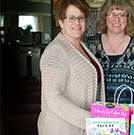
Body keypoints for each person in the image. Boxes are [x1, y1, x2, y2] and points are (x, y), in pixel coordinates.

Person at [37, 0, 105, 134]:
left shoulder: (81, 47)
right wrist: (93, 121)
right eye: (71, 18)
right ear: (61, 22)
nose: (77, 23)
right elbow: (53, 98)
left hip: (80, 127)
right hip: (60, 128)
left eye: (81, 17)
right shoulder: (56, 51)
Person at [85, 0, 134, 107]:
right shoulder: (90, 46)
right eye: (111, 14)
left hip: (128, 115)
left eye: (122, 14)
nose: (116, 19)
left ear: (128, 18)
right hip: (97, 115)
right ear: (104, 17)